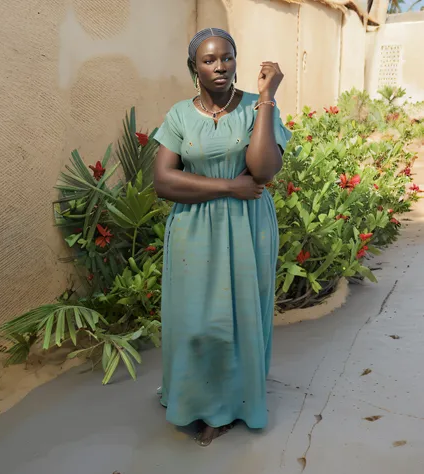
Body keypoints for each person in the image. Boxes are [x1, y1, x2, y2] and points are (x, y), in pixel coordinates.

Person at [153, 27, 291, 447]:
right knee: (194, 319)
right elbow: (163, 181)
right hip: (194, 230)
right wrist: (229, 187)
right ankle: (192, 395)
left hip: (248, 227)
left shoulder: (255, 107)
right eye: (209, 60)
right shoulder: (179, 115)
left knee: (238, 318)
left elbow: (263, 170)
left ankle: (228, 405)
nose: (220, 66)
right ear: (194, 66)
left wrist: (267, 97)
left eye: (227, 58)